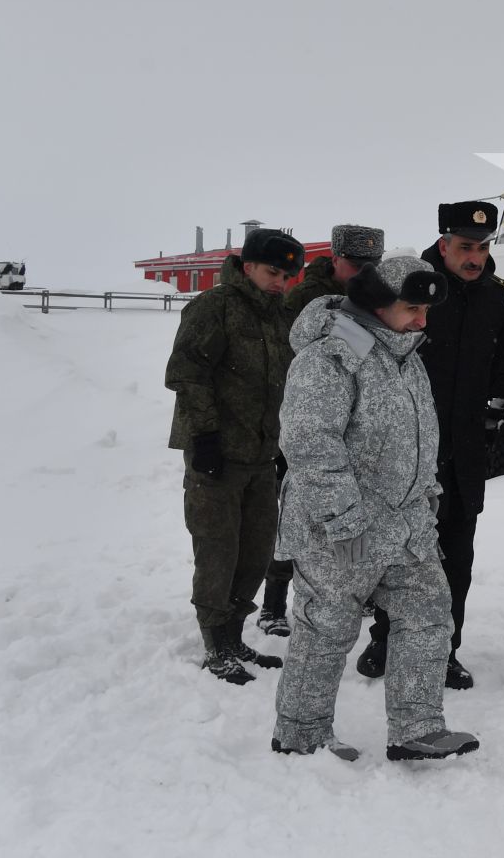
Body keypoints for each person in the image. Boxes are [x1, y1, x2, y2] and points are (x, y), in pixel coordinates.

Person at [271, 254, 479, 762]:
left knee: (430, 616)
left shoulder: (404, 357)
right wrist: (345, 525)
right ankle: (301, 734)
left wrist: (426, 505)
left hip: (405, 528)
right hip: (342, 530)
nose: (422, 321)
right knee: (328, 630)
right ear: (376, 305)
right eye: (412, 309)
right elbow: (311, 448)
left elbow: (420, 441)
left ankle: (417, 727)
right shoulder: (328, 359)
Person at [357, 202, 504, 689]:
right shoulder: (410, 287)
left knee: (456, 557)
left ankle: (443, 651)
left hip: (465, 451)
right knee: (401, 552)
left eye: (482, 247)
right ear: (442, 244)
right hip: (409, 450)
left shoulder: (494, 297)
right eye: (464, 247)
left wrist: (495, 411)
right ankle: (386, 638)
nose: (475, 257)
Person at [164, 226, 305, 684]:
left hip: (261, 456)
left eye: (288, 276)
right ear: (248, 267)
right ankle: (215, 643)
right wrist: (203, 436)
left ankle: (234, 635)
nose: (280, 282)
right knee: (218, 551)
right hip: (218, 457)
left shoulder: (278, 316)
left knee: (257, 551)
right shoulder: (216, 306)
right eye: (272, 272)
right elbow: (187, 373)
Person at [258, 223, 385, 637]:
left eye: (372, 264)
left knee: (348, 511)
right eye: (355, 264)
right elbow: (282, 360)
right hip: (301, 420)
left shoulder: (373, 298)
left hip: (350, 425)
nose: (364, 271)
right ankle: (274, 604)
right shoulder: (303, 299)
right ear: (335, 260)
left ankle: (349, 593)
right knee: (296, 514)